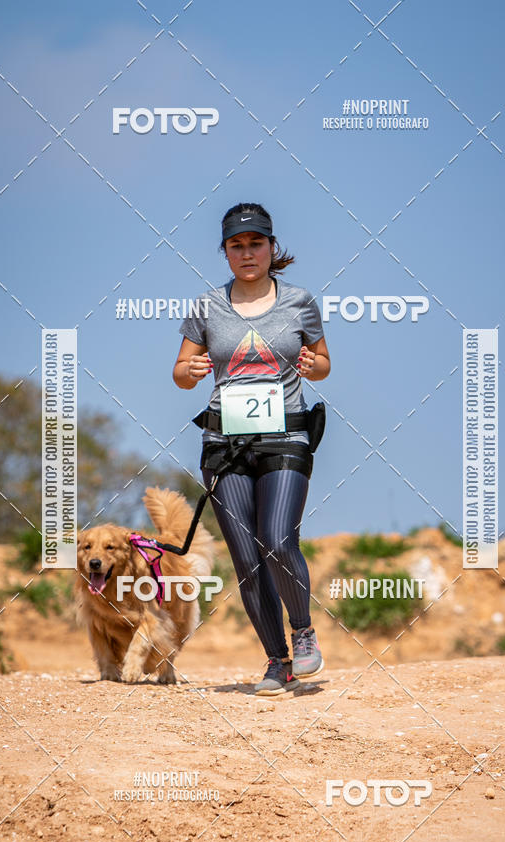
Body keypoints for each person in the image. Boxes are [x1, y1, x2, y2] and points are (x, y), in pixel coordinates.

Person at [173, 202, 331, 695]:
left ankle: (302, 632)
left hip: (287, 437)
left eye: (256, 244)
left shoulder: (300, 301)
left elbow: (323, 361)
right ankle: (276, 661)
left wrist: (314, 365)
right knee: (246, 557)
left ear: (271, 246)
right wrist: (189, 372)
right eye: (236, 245)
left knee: (278, 540)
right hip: (225, 445)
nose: (247, 253)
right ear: (224, 251)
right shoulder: (206, 307)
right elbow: (181, 372)